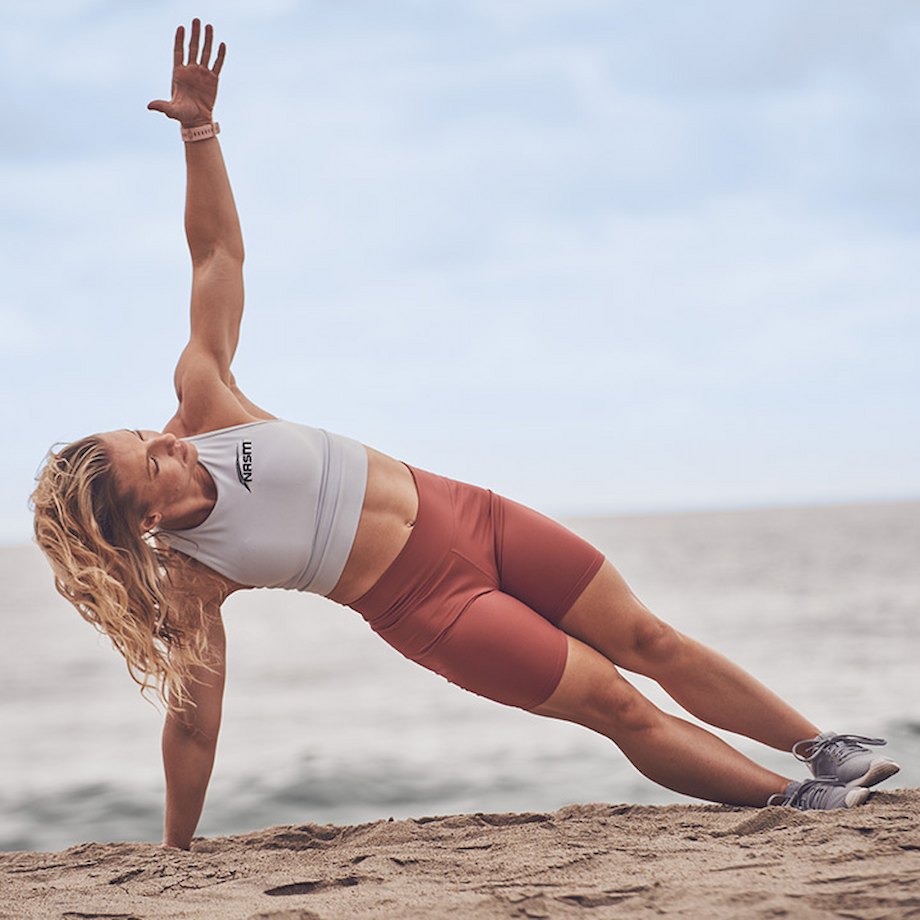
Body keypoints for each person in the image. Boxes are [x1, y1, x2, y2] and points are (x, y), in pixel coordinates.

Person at [31, 20, 899, 851]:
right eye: (151, 461)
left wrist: (201, 134)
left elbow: (217, 258)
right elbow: (193, 725)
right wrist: (175, 851)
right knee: (616, 703)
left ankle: (820, 747)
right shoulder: (192, 575)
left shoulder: (207, 400)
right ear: (143, 520)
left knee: (650, 641)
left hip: (471, 514)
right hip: (432, 609)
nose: (167, 440)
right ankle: (792, 800)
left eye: (146, 432)